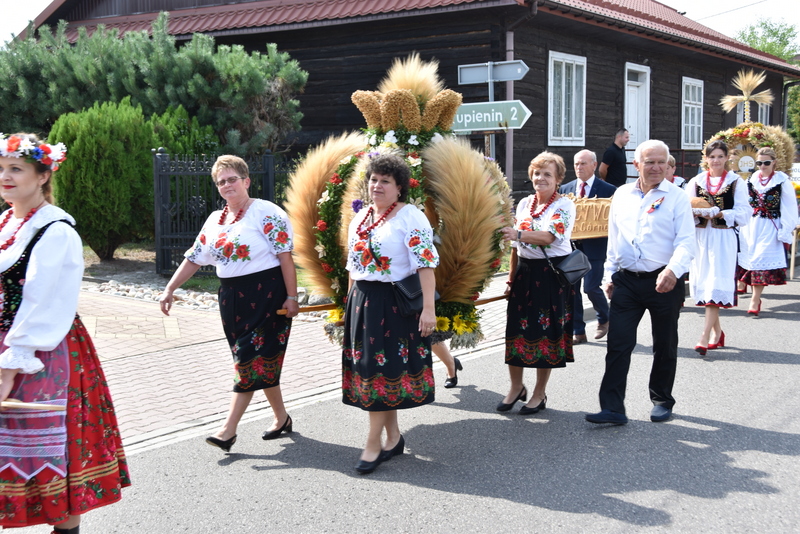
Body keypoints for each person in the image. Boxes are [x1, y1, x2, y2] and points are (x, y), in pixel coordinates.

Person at [0, 133, 130, 533]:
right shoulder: (6, 222)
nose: (5, 177)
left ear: (43, 176)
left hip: (41, 350)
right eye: (1, 169)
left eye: (16, 169)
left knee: (54, 452)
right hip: (8, 340)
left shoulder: (56, 231)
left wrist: (10, 366)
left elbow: (44, 302)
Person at [160, 155, 299, 452]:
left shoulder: (266, 212)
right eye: (221, 182)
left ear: (246, 181)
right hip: (231, 299)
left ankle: (228, 430)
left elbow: (285, 256)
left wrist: (292, 296)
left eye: (232, 179)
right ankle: (282, 418)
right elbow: (194, 258)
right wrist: (170, 288)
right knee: (258, 361)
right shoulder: (215, 219)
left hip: (266, 295)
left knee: (248, 361)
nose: (226, 185)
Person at [586, 140, 695, 425]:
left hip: (664, 281)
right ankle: (612, 408)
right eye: (649, 162)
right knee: (618, 344)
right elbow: (615, 238)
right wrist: (609, 275)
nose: (656, 167)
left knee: (664, 344)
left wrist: (672, 271)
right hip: (627, 282)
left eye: (661, 162)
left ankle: (662, 399)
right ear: (636, 164)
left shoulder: (677, 197)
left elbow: (686, 242)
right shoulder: (622, 194)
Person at [342, 153, 439, 474]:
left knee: (380, 373)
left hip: (393, 305)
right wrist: (348, 305)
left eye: (386, 181)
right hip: (362, 302)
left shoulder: (410, 216)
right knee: (375, 372)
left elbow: (425, 265)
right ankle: (394, 438)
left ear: (400, 188)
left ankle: (373, 444)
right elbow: (353, 267)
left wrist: (428, 310)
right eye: (374, 179)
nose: (377, 186)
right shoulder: (360, 217)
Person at [499, 152, 576, 415]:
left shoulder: (564, 205)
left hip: (551, 275)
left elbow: (549, 237)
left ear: (558, 179)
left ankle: (539, 393)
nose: (540, 178)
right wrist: (510, 279)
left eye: (547, 174)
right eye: (537, 173)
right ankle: (516, 387)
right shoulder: (524, 203)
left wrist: (518, 233)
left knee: (546, 334)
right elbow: (515, 247)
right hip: (524, 273)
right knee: (515, 330)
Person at [685, 141, 749, 354]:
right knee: (706, 284)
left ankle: (704, 337)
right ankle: (718, 332)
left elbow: (744, 214)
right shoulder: (696, 181)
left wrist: (721, 213)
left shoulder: (736, 182)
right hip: (701, 237)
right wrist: (698, 212)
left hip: (723, 238)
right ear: (706, 158)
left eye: (720, 156)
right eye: (712, 157)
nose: (716, 160)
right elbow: (684, 208)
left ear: (727, 158)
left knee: (715, 284)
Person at [559, 149, 616, 344]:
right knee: (572, 290)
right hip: (572, 248)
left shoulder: (608, 190)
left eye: (583, 163)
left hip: (596, 247)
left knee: (591, 287)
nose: (579, 167)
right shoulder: (565, 189)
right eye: (576, 164)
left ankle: (604, 318)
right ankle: (578, 331)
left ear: (594, 165)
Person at [736, 147, 799, 315]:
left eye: (766, 163)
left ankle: (755, 299)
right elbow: (743, 202)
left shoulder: (782, 181)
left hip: (770, 225)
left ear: (774, 162)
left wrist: (785, 229)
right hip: (751, 225)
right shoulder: (751, 179)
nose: (762, 166)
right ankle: (748, 289)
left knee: (760, 260)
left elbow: (789, 207)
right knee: (749, 259)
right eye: (759, 163)